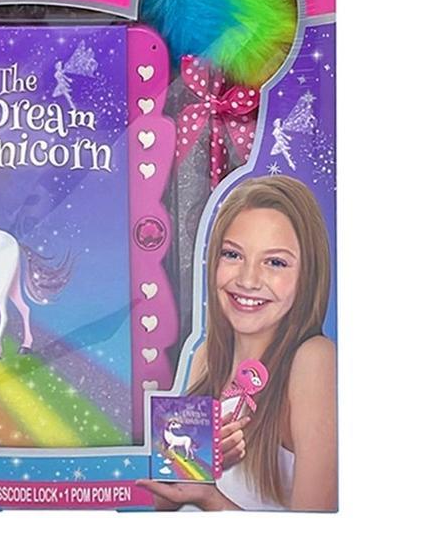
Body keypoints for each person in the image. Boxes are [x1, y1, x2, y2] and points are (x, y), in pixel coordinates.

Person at [138, 176, 337, 511]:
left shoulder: (314, 359)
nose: (247, 280)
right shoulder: (206, 358)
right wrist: (180, 481)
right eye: (232, 254)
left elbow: (315, 531)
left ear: (308, 274)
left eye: (275, 262)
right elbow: (171, 500)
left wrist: (210, 498)